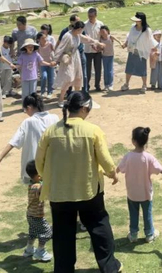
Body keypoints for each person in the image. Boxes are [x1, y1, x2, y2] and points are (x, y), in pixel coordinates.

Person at [35, 92, 121, 273]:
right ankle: (109, 266)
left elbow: (39, 162)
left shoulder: (51, 131)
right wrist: (112, 174)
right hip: (89, 190)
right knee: (99, 226)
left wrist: (49, 176)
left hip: (59, 193)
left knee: (62, 233)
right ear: (83, 108)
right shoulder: (93, 130)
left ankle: (63, 269)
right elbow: (105, 160)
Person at [116, 127, 162, 243]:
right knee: (147, 214)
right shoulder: (149, 158)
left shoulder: (128, 156)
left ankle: (133, 234)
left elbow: (118, 169)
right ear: (146, 141)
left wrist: (110, 174)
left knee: (133, 214)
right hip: (146, 193)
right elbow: (161, 170)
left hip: (132, 194)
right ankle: (150, 234)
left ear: (133, 141)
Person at [0, 94, 60, 183]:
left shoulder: (28, 122)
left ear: (29, 108)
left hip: (35, 169)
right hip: (53, 166)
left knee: (35, 190)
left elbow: (13, 142)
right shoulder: (55, 118)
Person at [55, 21, 102, 104]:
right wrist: (55, 60)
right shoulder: (67, 36)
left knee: (78, 78)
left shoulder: (78, 35)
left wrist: (97, 42)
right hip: (68, 59)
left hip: (76, 58)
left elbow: (87, 39)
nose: (81, 31)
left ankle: (77, 99)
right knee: (68, 79)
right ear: (78, 29)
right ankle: (61, 100)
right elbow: (60, 48)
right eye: (81, 30)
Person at [23, 160, 53, 262]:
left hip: (30, 214)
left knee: (33, 232)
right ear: (38, 175)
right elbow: (44, 187)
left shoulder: (31, 184)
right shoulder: (37, 186)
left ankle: (29, 250)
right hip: (36, 216)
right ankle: (40, 251)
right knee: (47, 232)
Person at [122, 13, 157, 92]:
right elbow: (129, 37)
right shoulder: (132, 28)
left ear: (141, 20)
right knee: (129, 69)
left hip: (141, 52)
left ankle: (144, 85)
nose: (135, 21)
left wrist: (155, 49)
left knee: (142, 70)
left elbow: (150, 40)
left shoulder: (147, 30)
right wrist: (125, 44)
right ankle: (126, 84)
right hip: (132, 51)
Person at [84, 8, 104, 93]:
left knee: (98, 69)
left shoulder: (100, 24)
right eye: (89, 16)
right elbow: (84, 37)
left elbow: (103, 36)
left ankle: (97, 85)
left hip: (97, 51)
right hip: (87, 50)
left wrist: (100, 46)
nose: (90, 18)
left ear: (96, 15)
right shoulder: (85, 24)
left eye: (92, 16)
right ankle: (86, 86)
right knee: (87, 70)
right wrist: (91, 44)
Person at [99, 26, 121, 92]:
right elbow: (99, 48)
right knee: (105, 71)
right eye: (101, 32)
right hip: (104, 56)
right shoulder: (100, 39)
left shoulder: (110, 37)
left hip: (111, 56)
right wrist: (100, 48)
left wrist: (121, 44)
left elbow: (118, 40)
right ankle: (106, 85)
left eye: (103, 31)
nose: (102, 33)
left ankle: (111, 85)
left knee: (110, 71)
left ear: (107, 31)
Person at [37, 32, 55, 98]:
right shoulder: (38, 46)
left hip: (50, 63)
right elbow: (37, 55)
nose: (45, 39)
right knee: (44, 77)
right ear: (39, 39)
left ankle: (50, 92)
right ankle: (42, 92)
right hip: (42, 64)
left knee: (50, 78)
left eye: (45, 37)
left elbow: (55, 51)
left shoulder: (50, 44)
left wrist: (54, 60)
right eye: (43, 38)